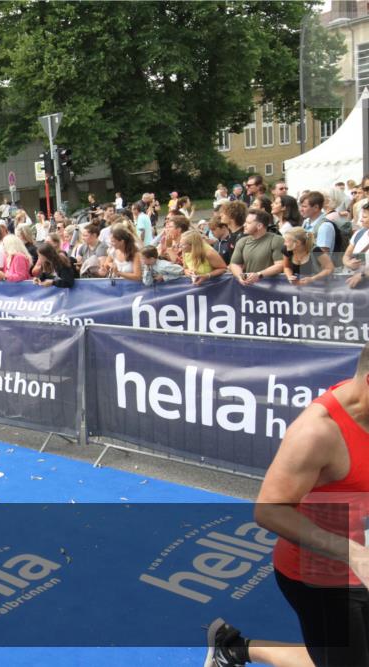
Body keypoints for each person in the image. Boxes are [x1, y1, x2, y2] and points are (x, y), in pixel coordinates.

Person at [203, 343, 369, 667]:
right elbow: (269, 511)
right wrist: (355, 554)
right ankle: (234, 649)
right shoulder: (317, 432)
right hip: (322, 576)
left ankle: (233, 649)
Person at [229, 210, 286, 286]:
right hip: (250, 288)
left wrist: (259, 274)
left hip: (273, 289)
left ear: (259, 226)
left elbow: (280, 265)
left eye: (248, 223)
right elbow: (235, 264)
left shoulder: (276, 240)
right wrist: (240, 276)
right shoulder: (242, 241)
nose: (244, 225)